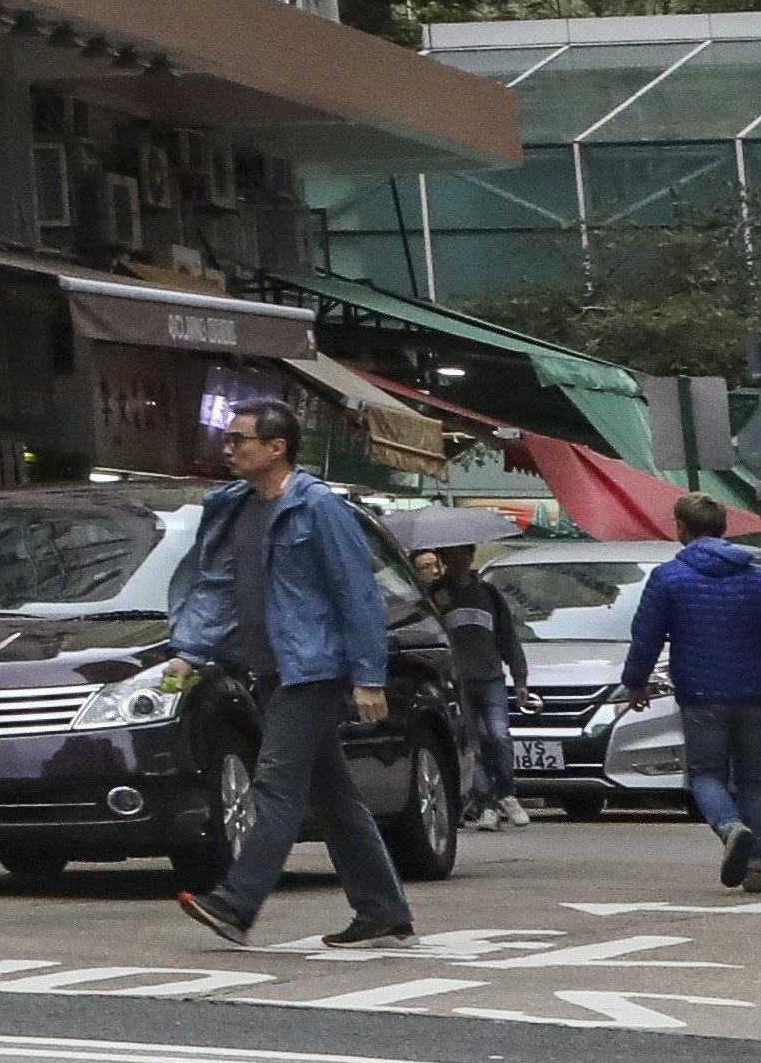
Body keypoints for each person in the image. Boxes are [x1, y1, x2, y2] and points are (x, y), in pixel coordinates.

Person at [171, 404, 418, 953]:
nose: (229, 448)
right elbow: (215, 586)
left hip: (313, 669)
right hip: (268, 668)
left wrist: (368, 676)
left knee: (276, 782)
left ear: (277, 447)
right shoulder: (232, 509)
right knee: (331, 794)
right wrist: (189, 651)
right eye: (228, 439)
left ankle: (237, 904)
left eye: (240, 439)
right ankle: (382, 909)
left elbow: (356, 593)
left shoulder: (318, 508)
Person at [619, 491, 761, 897]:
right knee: (753, 779)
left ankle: (730, 828)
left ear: (681, 529)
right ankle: (757, 865)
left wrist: (635, 683)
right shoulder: (759, 578)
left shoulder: (668, 579)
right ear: (724, 529)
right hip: (752, 693)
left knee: (706, 774)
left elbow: (646, 639)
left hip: (700, 693)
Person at [414, 532, 531, 832]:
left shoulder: (489, 594)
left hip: (491, 678)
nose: (455, 561)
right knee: (471, 744)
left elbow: (508, 638)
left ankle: (506, 791)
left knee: (500, 735)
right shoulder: (436, 597)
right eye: (448, 556)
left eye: (460, 554)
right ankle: (486, 804)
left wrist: (520, 677)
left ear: (470, 555)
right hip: (457, 682)